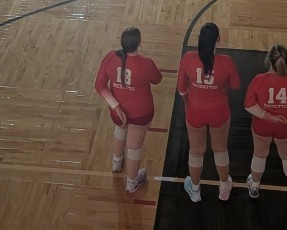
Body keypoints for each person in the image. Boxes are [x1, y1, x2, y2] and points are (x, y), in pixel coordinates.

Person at [176, 22, 240, 203]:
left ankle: (195, 190)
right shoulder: (226, 62)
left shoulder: (188, 58)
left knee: (196, 151)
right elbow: (235, 85)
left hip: (195, 111)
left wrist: (189, 101)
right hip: (219, 112)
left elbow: (181, 89)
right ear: (217, 39)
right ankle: (224, 188)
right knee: (220, 149)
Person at [94, 27, 163, 194]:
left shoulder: (110, 57)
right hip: (141, 113)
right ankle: (132, 182)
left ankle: (116, 163)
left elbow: (99, 86)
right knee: (134, 146)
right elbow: (157, 79)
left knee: (120, 129)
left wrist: (116, 106)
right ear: (139, 43)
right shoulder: (146, 63)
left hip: (118, 113)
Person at [244, 44, 287, 202]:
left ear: (268, 61)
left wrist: (268, 116)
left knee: (259, 154)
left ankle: (254, 186)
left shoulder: (259, 80)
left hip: (262, 125)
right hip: (285, 125)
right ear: (286, 61)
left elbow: (248, 105)